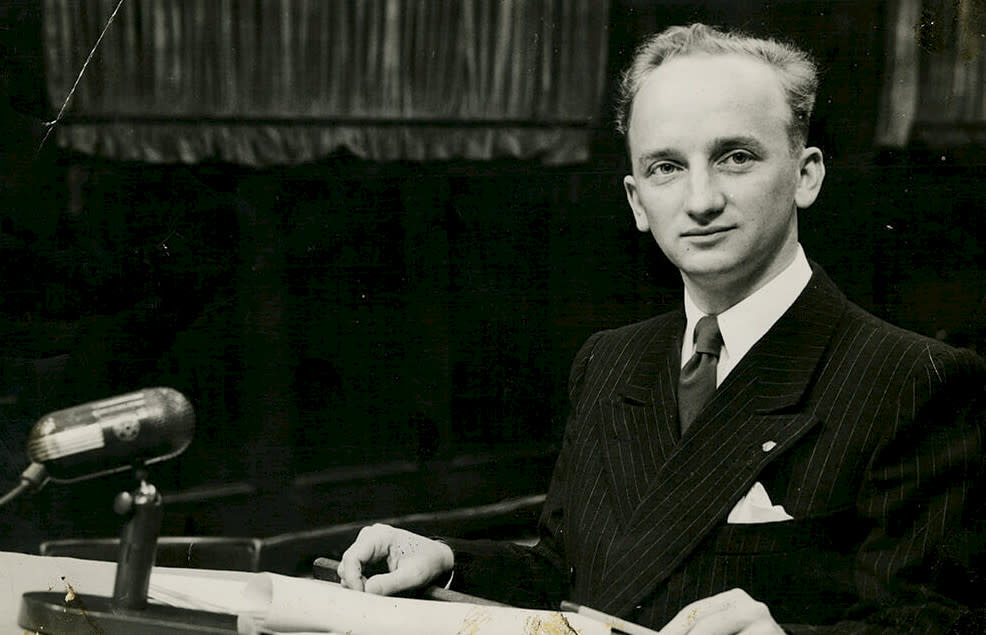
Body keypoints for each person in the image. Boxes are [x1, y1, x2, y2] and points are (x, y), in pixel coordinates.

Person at [338, 24, 986, 633]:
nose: (700, 200)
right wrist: (447, 558)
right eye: (665, 167)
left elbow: (938, 620)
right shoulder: (610, 360)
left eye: (734, 157)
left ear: (806, 174)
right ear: (635, 201)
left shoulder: (911, 378)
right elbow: (573, 576)